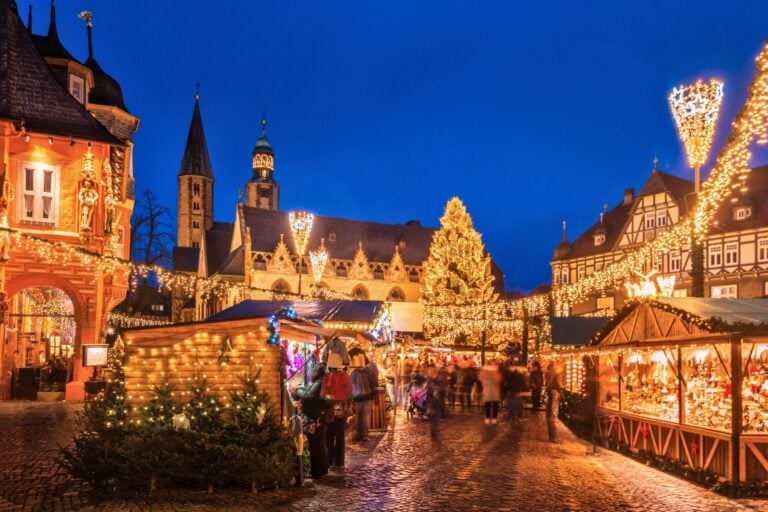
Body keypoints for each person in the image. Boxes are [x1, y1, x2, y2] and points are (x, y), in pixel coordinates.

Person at [295, 364, 330, 479]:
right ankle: (322, 469)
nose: (310, 373)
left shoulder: (320, 382)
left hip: (315, 418)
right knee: (319, 443)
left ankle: (317, 471)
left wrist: (298, 390)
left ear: (317, 373)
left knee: (316, 444)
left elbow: (309, 394)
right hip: (318, 417)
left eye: (313, 371)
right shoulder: (320, 382)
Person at [478, 360, 502, 425]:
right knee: (489, 405)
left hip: (492, 390)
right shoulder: (494, 372)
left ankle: (492, 418)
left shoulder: (484, 372)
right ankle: (490, 418)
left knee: (493, 405)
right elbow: (499, 380)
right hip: (490, 390)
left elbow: (499, 379)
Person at [545, 362, 563, 443]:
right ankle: (554, 438)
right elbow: (559, 384)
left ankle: (551, 436)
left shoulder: (548, 372)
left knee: (549, 415)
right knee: (553, 415)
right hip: (555, 392)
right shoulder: (557, 373)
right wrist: (562, 387)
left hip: (549, 391)